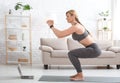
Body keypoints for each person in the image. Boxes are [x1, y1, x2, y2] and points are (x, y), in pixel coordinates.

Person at [46, 9, 101, 81]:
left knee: (71, 54)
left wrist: (51, 26)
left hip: (94, 49)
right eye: (66, 16)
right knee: (72, 53)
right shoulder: (76, 26)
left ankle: (80, 75)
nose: (66, 18)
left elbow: (60, 35)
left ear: (73, 16)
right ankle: (79, 74)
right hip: (92, 48)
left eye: (68, 16)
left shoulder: (76, 26)